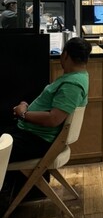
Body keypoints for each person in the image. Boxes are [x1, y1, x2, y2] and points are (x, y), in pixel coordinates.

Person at [2, 37, 91, 173]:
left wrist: (23, 113)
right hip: (30, 133)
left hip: (36, 140)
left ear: (65, 55)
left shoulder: (72, 84)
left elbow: (53, 119)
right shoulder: (77, 77)